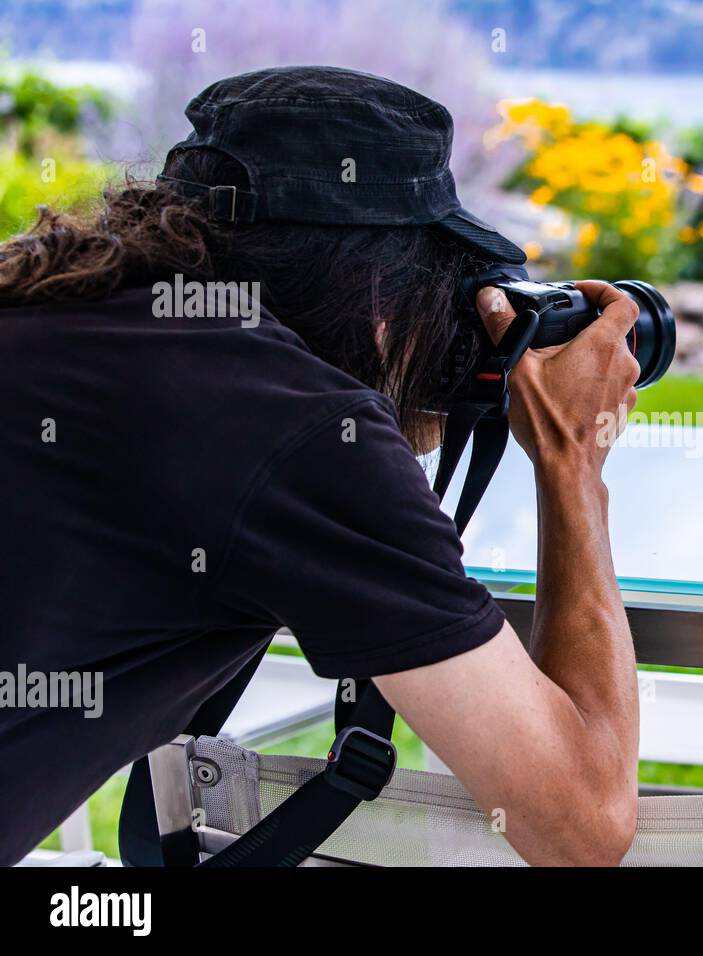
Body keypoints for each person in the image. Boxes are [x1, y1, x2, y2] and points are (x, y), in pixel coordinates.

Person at [0, 66, 642, 866]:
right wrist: (571, 458)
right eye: (437, 294)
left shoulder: (49, 303)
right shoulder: (294, 427)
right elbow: (581, 825)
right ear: (381, 296)